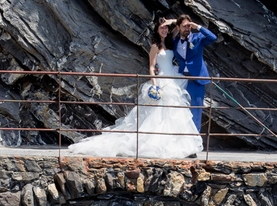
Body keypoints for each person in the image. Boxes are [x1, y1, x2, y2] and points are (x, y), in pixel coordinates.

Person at [68, 17, 203, 159]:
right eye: (161, 28)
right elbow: (151, 67)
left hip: (173, 80)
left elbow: (180, 22)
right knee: (158, 115)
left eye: (165, 28)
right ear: (157, 30)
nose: (164, 30)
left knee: (176, 113)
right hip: (161, 80)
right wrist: (155, 85)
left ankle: (179, 145)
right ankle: (156, 144)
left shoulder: (170, 41)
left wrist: (169, 21)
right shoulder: (155, 46)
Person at [172, 15, 217, 131]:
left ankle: (195, 138)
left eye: (189, 26)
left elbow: (213, 37)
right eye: (184, 26)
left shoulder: (198, 38)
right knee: (180, 109)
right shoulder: (175, 41)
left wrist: (198, 27)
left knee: (196, 110)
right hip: (181, 79)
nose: (187, 28)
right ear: (178, 27)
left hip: (196, 79)